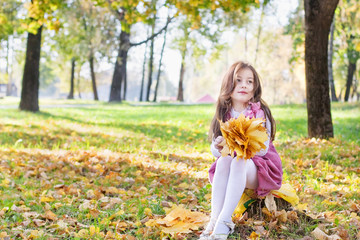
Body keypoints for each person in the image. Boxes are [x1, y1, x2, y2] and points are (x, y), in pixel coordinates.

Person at [200, 61, 283, 240]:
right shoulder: (225, 112)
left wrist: (237, 145)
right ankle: (214, 220)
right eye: (238, 80)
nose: (244, 85)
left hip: (260, 168)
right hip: (231, 166)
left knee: (239, 160)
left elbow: (262, 150)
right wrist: (220, 144)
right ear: (229, 85)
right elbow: (215, 151)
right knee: (223, 160)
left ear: (255, 87)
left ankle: (225, 221)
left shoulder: (260, 112)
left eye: (249, 81)